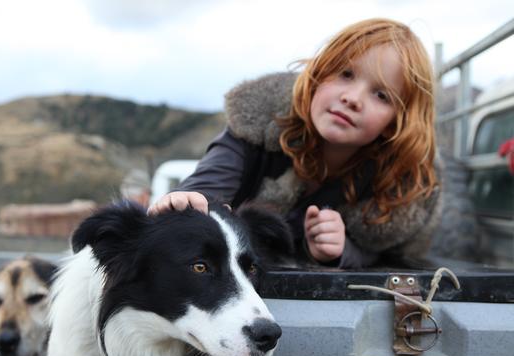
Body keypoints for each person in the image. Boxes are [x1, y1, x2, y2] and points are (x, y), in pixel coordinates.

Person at [148, 18, 441, 268]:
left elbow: (383, 254)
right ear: (318, 76)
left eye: (381, 95)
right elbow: (208, 183)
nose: (352, 98)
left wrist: (339, 250)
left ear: (397, 121)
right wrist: (190, 198)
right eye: (345, 74)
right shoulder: (257, 128)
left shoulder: (390, 181)